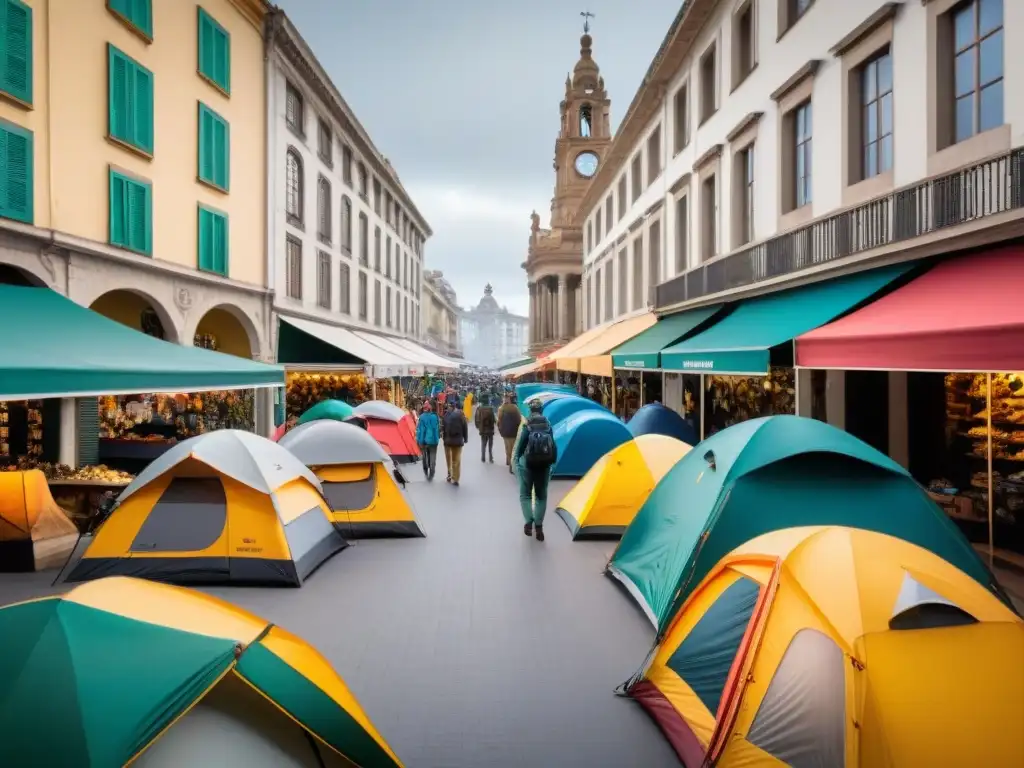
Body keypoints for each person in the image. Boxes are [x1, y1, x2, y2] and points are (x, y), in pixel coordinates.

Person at [513, 398, 558, 541]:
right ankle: (539, 526)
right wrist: (552, 463)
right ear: (541, 410)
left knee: (525, 494)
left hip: (528, 464)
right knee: (541, 496)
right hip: (544, 465)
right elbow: (553, 446)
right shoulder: (547, 425)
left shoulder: (527, 425)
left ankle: (528, 522)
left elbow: (520, 448)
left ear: (530, 410)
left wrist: (516, 462)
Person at [441, 399, 469, 486]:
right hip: (458, 441)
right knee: (456, 460)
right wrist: (465, 438)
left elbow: (442, 428)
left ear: (449, 406)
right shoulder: (461, 415)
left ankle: (450, 473)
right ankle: (456, 478)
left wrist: (443, 437)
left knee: (448, 458)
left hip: (448, 441)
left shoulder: (445, 415)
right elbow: (465, 427)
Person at [415, 401, 440, 481]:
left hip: (423, 441)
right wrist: (437, 439)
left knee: (424, 457)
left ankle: (426, 471)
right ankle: (431, 473)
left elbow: (419, 430)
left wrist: (418, 440)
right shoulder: (434, 417)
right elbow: (436, 429)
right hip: (433, 441)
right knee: (432, 456)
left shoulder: (421, 417)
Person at [496, 394, 521, 473]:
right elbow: (519, 419)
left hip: (505, 432)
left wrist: (500, 429)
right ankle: (511, 464)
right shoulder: (515, 408)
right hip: (513, 431)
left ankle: (508, 461)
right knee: (513, 447)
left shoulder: (501, 408)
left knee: (507, 446)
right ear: (510, 400)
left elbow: (498, 421)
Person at [474, 394, 496, 463]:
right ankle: (490, 458)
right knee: (490, 444)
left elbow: (476, 419)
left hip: (483, 429)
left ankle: (483, 457)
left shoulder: (479, 409)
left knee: (483, 444)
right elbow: (494, 420)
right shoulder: (491, 408)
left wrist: (479, 427)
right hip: (490, 429)